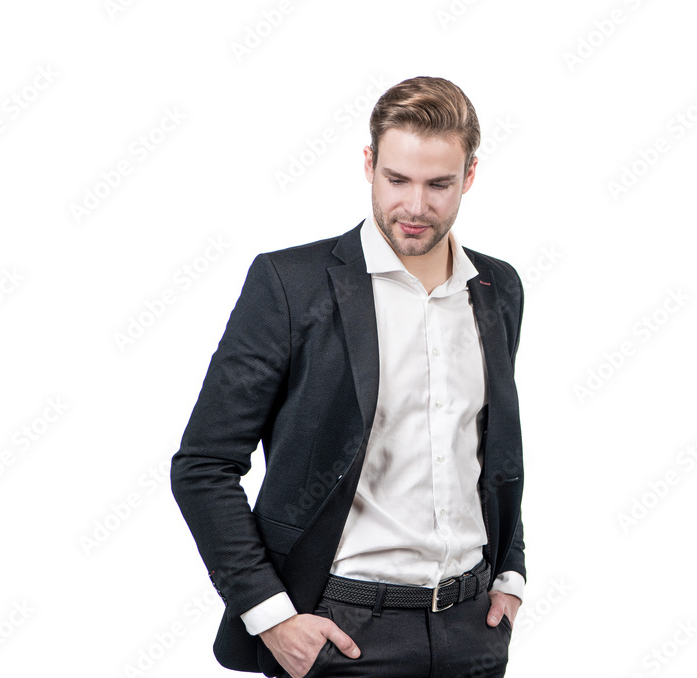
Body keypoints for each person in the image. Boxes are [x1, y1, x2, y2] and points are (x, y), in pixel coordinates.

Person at [171, 75, 526, 678]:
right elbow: (204, 465)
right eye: (397, 179)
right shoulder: (291, 285)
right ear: (369, 165)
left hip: (473, 631)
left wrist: (511, 573)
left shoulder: (496, 288)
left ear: (469, 175)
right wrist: (270, 615)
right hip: (342, 631)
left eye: (438, 184)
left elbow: (490, 448)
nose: (415, 206)